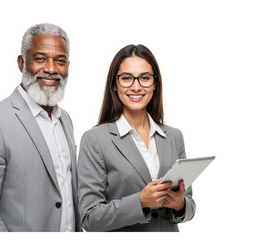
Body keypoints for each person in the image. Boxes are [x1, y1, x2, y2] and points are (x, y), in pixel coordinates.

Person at [0, 23, 81, 232]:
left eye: (60, 61)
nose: (51, 69)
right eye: (40, 58)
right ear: (21, 62)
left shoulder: (66, 120)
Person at [77, 44, 196, 232]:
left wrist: (179, 204)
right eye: (126, 78)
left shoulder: (174, 136)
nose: (136, 86)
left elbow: (189, 205)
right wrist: (140, 202)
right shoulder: (95, 140)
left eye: (145, 78)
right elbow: (89, 218)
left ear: (155, 84)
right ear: (114, 84)